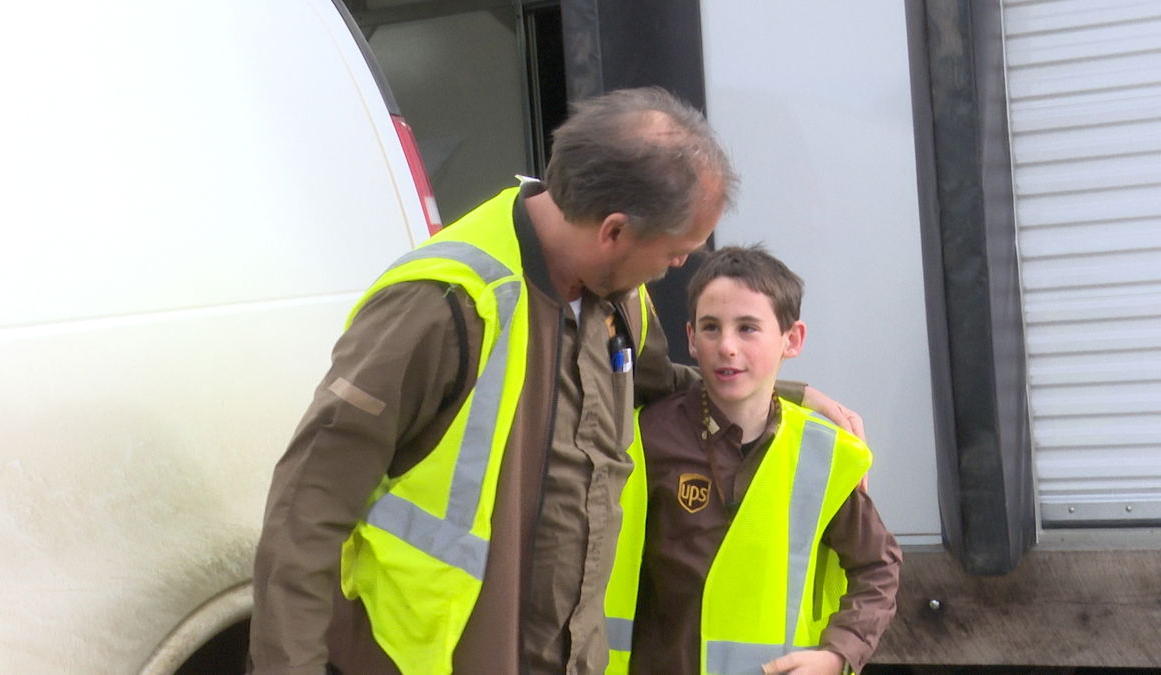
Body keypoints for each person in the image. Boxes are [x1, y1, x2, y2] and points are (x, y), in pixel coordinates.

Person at [248, 88, 863, 675]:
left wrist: (782, 392)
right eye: (677, 252)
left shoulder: (621, 298)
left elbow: (664, 387)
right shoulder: (444, 307)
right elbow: (307, 510)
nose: (679, 266)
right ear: (614, 231)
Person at [605, 245, 901, 675]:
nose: (726, 346)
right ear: (690, 338)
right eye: (711, 328)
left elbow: (878, 565)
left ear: (792, 339)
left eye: (747, 328)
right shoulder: (644, 438)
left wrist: (838, 654)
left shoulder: (822, 453)